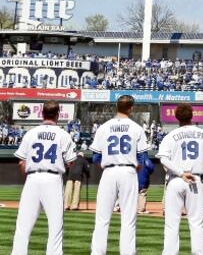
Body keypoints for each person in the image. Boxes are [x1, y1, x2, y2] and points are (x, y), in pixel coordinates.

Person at [11, 100, 77, 255]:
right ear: (58, 114)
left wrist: (32, 175)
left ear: (42, 113)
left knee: (23, 226)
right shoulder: (64, 135)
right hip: (53, 179)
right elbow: (70, 162)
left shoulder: (30, 133)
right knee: (55, 227)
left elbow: (21, 162)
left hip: (32, 179)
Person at [89, 94, 151, 255]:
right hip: (128, 171)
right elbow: (143, 158)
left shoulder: (103, 127)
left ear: (117, 106)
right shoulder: (137, 128)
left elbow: (95, 157)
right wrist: (133, 168)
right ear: (131, 108)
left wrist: (109, 166)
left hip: (108, 172)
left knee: (102, 219)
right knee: (128, 220)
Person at [158, 102, 203, 255]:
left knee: (171, 224)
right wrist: (202, 166)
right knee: (197, 223)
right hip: (195, 179)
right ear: (192, 115)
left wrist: (180, 172)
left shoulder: (170, 136)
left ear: (177, 117)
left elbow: (163, 159)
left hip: (175, 180)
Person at [137, 149, 157, 215]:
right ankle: (141, 209)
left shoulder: (133, 157)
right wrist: (147, 173)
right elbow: (151, 167)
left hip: (133, 178)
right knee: (142, 192)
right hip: (143, 178)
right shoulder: (145, 158)